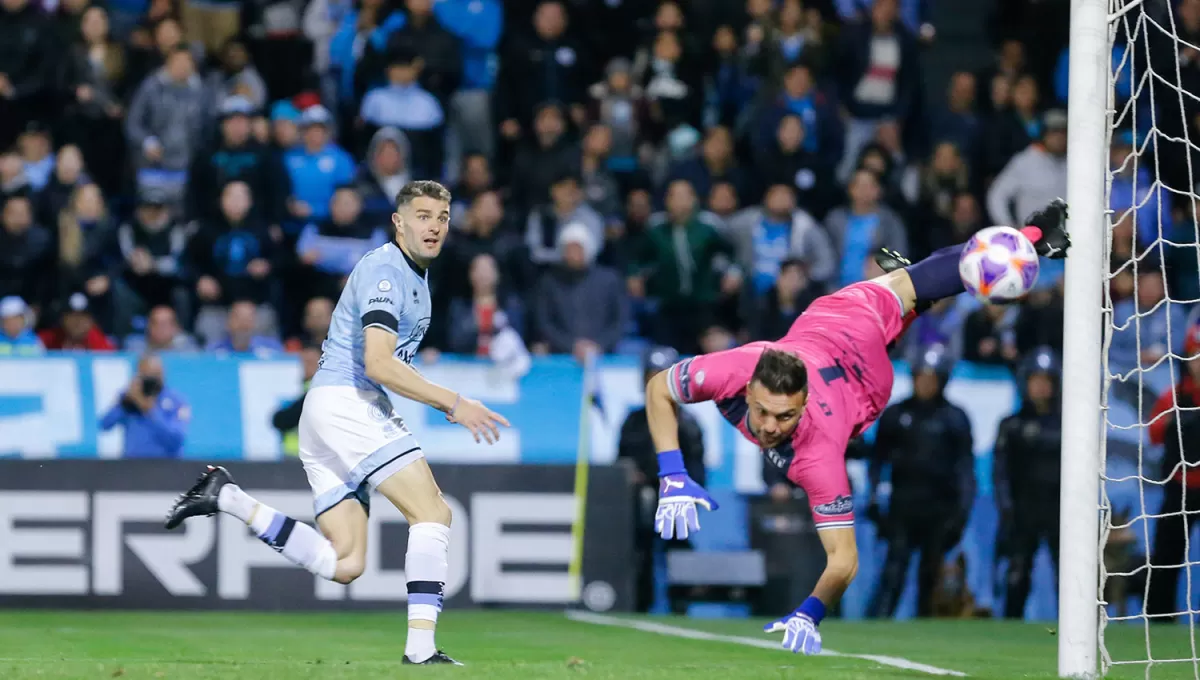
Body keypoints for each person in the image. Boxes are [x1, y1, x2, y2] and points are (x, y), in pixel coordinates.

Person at [645, 199, 1070, 655]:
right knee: (906, 286)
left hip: (865, 375)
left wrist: (813, 609)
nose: (769, 427)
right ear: (747, 388)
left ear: (803, 404)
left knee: (922, 283)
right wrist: (672, 472)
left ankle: (1032, 239)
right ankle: (923, 288)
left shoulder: (819, 456)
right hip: (825, 326)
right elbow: (658, 388)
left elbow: (844, 559)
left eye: (785, 416)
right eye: (764, 411)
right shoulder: (734, 367)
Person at [164, 180, 509, 665]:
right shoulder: (388, 271)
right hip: (350, 403)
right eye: (424, 215)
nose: (434, 226)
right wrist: (453, 402)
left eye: (443, 217)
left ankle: (228, 498)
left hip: (325, 413)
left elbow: (391, 363)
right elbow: (379, 364)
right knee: (433, 514)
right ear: (400, 221)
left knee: (345, 563)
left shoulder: (415, 278)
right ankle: (421, 651)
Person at [867, 344, 975, 618]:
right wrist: (873, 498)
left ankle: (924, 630)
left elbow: (965, 469)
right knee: (894, 570)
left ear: (942, 381)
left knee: (931, 574)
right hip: (903, 505)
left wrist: (961, 513)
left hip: (939, 508)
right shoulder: (895, 415)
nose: (925, 384)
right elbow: (878, 461)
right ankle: (877, 624)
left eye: (931, 378)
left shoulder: (955, 418)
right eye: (920, 377)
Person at [616, 345, 705, 612]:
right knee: (638, 548)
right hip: (642, 496)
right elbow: (621, 459)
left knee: (678, 547)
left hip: (675, 495)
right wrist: (630, 474)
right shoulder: (633, 421)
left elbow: (696, 465)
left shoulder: (687, 423)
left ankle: (681, 603)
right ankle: (640, 603)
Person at [993, 346, 1063, 619]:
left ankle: (1073, 632)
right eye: (1036, 380)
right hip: (1023, 508)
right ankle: (1011, 627)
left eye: (1047, 381)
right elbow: (1000, 471)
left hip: (1060, 510)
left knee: (1068, 574)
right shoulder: (1011, 425)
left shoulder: (1072, 424)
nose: (1041, 387)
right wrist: (1006, 506)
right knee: (1017, 572)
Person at [99, 353, 189, 458]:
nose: (150, 381)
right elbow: (105, 425)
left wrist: (150, 410)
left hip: (166, 465)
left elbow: (176, 440)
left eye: (154, 375)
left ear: (162, 374)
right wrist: (124, 404)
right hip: (133, 465)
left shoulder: (175, 401)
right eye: (145, 375)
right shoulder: (130, 397)